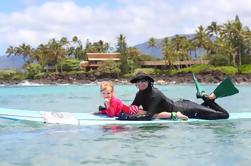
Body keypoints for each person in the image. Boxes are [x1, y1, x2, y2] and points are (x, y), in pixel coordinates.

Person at [117, 73, 238, 121]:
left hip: (189, 110)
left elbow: (149, 117)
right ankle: (207, 99)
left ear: (149, 82)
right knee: (207, 110)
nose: (140, 84)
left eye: (143, 81)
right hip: (181, 104)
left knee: (224, 115)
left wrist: (127, 119)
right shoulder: (139, 94)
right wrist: (115, 110)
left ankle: (207, 99)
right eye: (137, 82)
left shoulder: (156, 94)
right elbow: (132, 108)